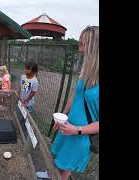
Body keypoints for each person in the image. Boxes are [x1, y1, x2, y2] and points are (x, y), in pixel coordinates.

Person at [50, 26, 99, 180]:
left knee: (63, 171)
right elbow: (75, 95)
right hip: (68, 128)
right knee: (56, 163)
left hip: (80, 136)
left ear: (94, 47)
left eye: (83, 44)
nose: (80, 49)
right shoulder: (87, 71)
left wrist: (76, 130)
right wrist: (63, 116)